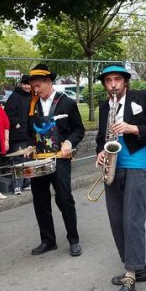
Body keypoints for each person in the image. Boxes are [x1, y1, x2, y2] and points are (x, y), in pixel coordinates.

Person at [95, 63, 146, 291]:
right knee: (116, 219)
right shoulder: (105, 106)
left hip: (135, 163)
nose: (113, 84)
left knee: (132, 218)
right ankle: (136, 266)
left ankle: (130, 277)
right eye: (108, 80)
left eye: (117, 79)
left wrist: (132, 128)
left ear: (125, 81)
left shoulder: (143, 96)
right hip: (112, 165)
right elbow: (99, 139)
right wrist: (99, 153)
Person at [24, 63, 85, 258]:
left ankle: (73, 239)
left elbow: (79, 130)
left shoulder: (67, 103)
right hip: (38, 160)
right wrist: (29, 145)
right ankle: (48, 240)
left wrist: (69, 142)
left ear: (49, 82)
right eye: (33, 86)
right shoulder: (32, 105)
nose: (35, 89)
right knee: (40, 200)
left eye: (38, 85)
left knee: (64, 199)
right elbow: (29, 132)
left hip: (60, 159)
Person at [4, 74, 32, 195]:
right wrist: (17, 124)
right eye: (25, 84)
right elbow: (9, 113)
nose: (27, 86)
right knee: (18, 160)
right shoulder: (14, 97)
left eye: (28, 84)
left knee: (28, 159)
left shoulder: (32, 96)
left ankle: (27, 183)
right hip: (18, 135)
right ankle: (17, 185)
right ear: (21, 84)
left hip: (29, 134)